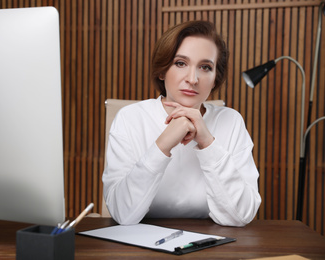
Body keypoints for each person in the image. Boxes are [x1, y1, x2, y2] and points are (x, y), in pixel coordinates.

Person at [102, 20, 261, 227]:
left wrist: (207, 143)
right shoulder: (130, 118)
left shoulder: (230, 121)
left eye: (205, 67)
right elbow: (123, 214)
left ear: (215, 79)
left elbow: (241, 216)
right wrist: (163, 145)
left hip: (211, 246)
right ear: (162, 71)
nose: (193, 79)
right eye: (180, 63)